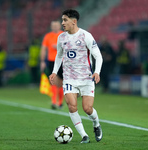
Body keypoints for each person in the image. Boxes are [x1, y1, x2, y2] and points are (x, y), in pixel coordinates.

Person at [49, 9, 103, 143]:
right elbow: (59, 55)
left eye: (65, 20)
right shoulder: (61, 37)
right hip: (69, 78)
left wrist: (97, 72)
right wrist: (54, 72)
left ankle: (96, 124)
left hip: (86, 78)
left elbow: (98, 56)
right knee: (72, 106)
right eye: (62, 20)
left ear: (74, 21)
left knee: (87, 109)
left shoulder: (86, 36)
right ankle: (84, 136)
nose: (62, 23)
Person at [40, 20, 64, 109]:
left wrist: (58, 46)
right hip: (51, 61)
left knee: (61, 82)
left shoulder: (64, 35)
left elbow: (70, 47)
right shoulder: (48, 36)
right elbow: (43, 48)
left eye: (56, 25)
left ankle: (60, 103)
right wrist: (42, 61)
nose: (55, 27)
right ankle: (54, 102)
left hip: (62, 61)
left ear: (60, 26)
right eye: (53, 26)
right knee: (52, 80)